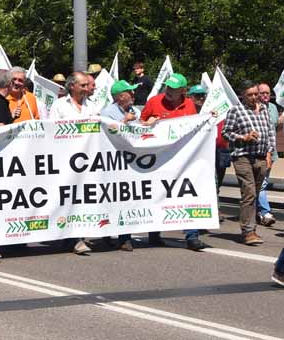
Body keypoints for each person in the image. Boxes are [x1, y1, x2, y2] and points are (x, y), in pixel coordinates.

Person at [140, 73, 207, 251]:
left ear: (183, 91)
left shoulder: (190, 105)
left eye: (174, 89)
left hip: (184, 160)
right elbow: (140, 124)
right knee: (157, 195)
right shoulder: (154, 101)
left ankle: (192, 236)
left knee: (188, 195)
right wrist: (147, 123)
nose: (169, 91)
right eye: (168, 87)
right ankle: (154, 234)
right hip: (159, 161)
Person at [222, 82, 276, 246]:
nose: (254, 97)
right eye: (250, 95)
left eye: (256, 94)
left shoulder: (264, 109)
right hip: (243, 156)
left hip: (260, 157)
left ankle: (251, 228)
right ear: (243, 96)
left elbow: (270, 131)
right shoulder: (236, 110)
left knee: (255, 193)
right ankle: (248, 231)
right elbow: (226, 133)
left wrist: (269, 152)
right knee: (249, 193)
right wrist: (243, 137)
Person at [51, 72, 96, 255]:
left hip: (87, 160)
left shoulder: (91, 106)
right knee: (67, 197)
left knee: (83, 197)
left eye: (87, 85)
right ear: (72, 86)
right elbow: (51, 130)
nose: (86, 89)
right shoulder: (60, 106)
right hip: (65, 160)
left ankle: (76, 236)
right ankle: (70, 236)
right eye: (83, 85)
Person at [102, 80, 143, 251]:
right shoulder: (107, 112)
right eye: (130, 92)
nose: (133, 95)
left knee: (128, 199)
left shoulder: (135, 111)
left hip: (131, 162)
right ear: (120, 97)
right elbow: (108, 134)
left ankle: (125, 238)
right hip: (113, 162)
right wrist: (124, 121)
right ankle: (106, 234)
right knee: (111, 200)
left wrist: (146, 126)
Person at [256, 83, 280, 227]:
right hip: (258, 153)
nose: (265, 95)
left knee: (261, 184)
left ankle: (258, 212)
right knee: (262, 184)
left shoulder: (273, 108)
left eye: (268, 93)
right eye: (262, 92)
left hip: (272, 152)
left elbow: (275, 127)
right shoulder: (254, 108)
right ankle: (265, 211)